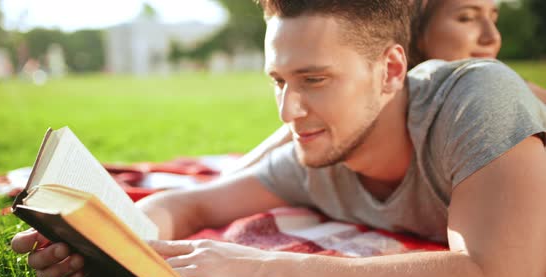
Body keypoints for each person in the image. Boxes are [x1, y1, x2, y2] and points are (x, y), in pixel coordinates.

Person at [11, 0, 546, 277]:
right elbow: (192, 204)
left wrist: (263, 265)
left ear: (389, 70)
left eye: (314, 80)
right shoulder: (321, 153)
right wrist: (101, 241)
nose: (290, 111)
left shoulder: (476, 98)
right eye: (279, 82)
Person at [222, 0, 546, 175]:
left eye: (493, 16)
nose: (492, 36)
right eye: (466, 18)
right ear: (415, 28)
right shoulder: (379, 100)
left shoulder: (506, 97)